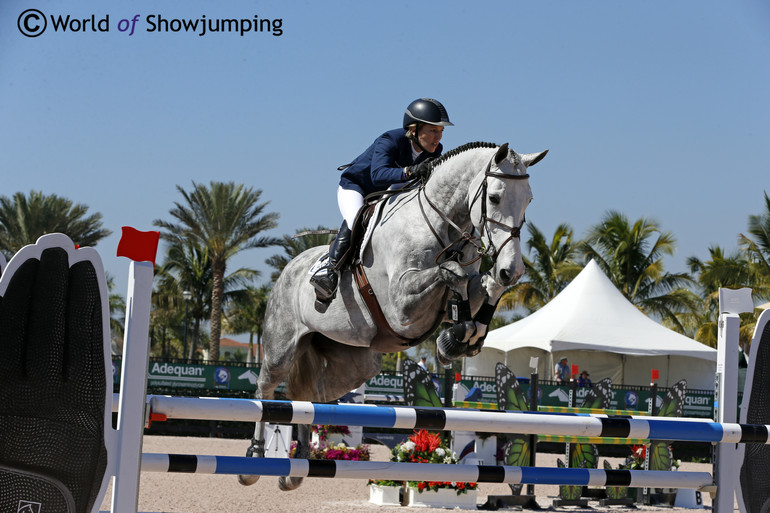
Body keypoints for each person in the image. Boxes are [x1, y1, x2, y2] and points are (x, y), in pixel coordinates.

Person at [310, 98, 454, 303]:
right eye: (432, 131)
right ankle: (329, 271)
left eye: (440, 132)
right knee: (357, 221)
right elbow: (377, 174)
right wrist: (410, 171)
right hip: (357, 188)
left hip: (386, 194)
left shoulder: (435, 151)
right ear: (413, 129)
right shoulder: (390, 140)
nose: (437, 138)